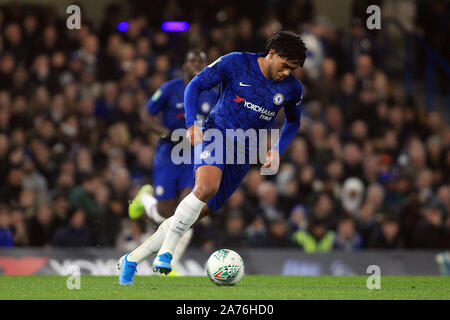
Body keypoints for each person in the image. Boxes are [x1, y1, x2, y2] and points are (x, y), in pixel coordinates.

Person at [119, 31, 307, 284]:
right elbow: (194, 86)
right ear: (272, 54)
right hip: (215, 134)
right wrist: (191, 124)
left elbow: (293, 123)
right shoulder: (236, 62)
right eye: (285, 66)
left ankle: (130, 260)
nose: (287, 73)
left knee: (186, 219)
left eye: (292, 70)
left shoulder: (292, 88)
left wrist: (277, 150)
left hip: (245, 153)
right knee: (206, 187)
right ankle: (166, 254)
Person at [124, 50, 217, 274]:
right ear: (184, 65)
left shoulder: (212, 94)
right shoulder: (170, 89)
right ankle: (144, 197)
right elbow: (146, 116)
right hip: (169, 154)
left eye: (201, 62)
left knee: (188, 210)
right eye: (192, 60)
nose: (197, 65)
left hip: (193, 157)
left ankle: (170, 263)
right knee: (165, 212)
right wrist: (163, 131)